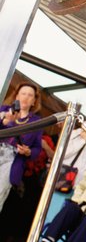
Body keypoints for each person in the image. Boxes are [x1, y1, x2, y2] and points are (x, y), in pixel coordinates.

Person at [45, 111, 86, 224]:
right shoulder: (73, 134)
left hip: (79, 186)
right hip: (63, 179)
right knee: (51, 213)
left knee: (63, 219)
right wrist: (82, 140)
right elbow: (62, 153)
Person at [0, 82, 43, 213]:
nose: (25, 97)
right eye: (23, 93)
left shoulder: (37, 121)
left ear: (34, 101)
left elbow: (37, 149)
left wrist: (28, 151)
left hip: (13, 160)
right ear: (16, 96)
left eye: (30, 95)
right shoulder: (3, 110)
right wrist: (6, 121)